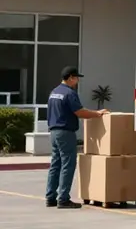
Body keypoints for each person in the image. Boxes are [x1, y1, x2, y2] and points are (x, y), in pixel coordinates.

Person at [45, 66, 110, 209]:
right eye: (76, 78)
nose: (77, 81)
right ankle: (63, 199)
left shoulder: (54, 92)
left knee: (56, 165)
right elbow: (80, 112)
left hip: (54, 132)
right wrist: (98, 113)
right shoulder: (69, 93)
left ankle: (50, 197)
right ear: (70, 78)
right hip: (66, 132)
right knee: (68, 164)